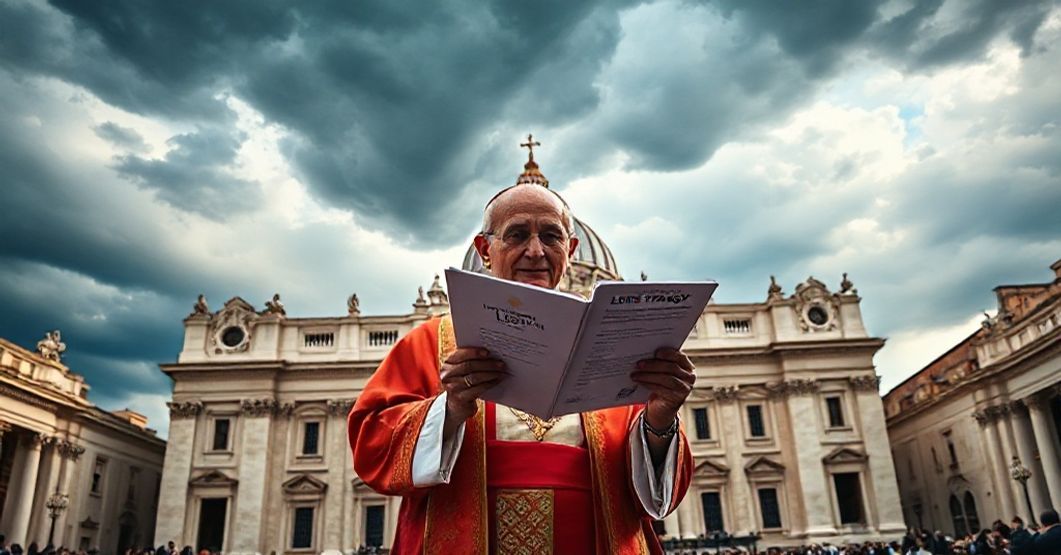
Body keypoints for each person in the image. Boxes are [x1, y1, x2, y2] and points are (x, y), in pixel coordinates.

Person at [348, 152, 695, 553]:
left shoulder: (619, 345)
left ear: (571, 248)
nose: (535, 251)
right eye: (516, 235)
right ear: (484, 249)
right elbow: (371, 443)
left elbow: (656, 495)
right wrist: (449, 409)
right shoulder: (431, 341)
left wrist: (660, 419)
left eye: (551, 236)